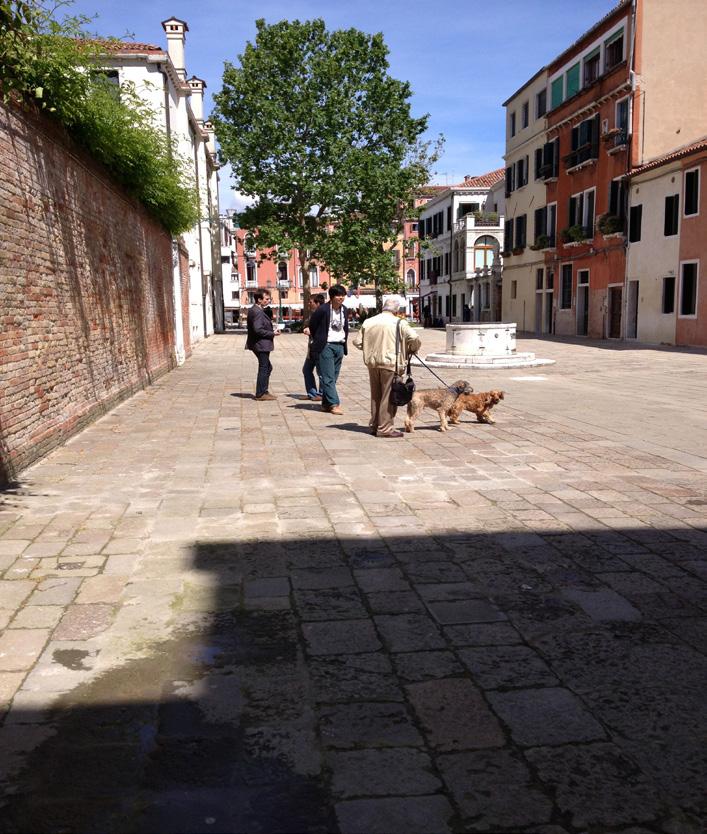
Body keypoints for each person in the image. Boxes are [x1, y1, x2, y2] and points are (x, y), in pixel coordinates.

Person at [354, 296, 421, 438]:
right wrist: (412, 349)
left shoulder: (369, 321)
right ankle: (385, 428)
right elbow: (414, 338)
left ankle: (374, 425)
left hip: (372, 363)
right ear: (396, 311)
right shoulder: (399, 323)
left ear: (383, 307)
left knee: (376, 396)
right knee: (388, 397)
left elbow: (357, 342)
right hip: (390, 363)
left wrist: (370, 349)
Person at [308, 284, 349, 415]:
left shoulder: (345, 310)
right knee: (328, 376)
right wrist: (319, 339)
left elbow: (345, 327)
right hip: (326, 346)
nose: (341, 298)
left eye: (343, 295)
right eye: (338, 295)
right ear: (332, 297)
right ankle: (334, 404)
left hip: (340, 345)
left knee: (333, 377)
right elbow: (312, 324)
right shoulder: (323, 310)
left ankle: (326, 403)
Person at [246, 289, 279, 400]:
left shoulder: (255, 310)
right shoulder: (257, 312)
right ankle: (260, 393)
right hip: (261, 344)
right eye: (266, 299)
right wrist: (272, 333)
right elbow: (258, 329)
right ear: (259, 300)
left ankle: (263, 390)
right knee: (265, 367)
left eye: (269, 299)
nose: (268, 301)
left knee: (267, 367)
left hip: (258, 343)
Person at [302, 293, 325, 399]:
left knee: (321, 372)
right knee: (307, 369)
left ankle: (321, 394)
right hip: (311, 348)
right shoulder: (313, 314)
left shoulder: (323, 315)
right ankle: (312, 393)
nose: (309, 304)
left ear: (318, 303)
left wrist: (311, 332)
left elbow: (323, 333)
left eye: (311, 302)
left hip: (320, 348)